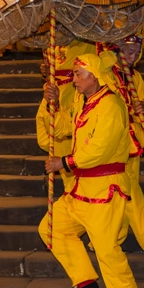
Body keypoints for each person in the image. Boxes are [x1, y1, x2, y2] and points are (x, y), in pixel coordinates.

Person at [43, 53, 144, 288]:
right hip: (81, 188)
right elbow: (61, 129)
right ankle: (85, 280)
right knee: (52, 227)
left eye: (79, 73)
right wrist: (50, 103)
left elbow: (100, 149)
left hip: (104, 189)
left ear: (95, 76)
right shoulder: (83, 101)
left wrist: (64, 162)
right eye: (75, 73)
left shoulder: (112, 105)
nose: (74, 78)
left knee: (106, 249)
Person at [100, 34, 144, 257]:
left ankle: (127, 239)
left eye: (137, 52)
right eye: (129, 52)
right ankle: (122, 238)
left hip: (133, 143)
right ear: (116, 50)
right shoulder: (102, 75)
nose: (134, 56)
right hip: (110, 144)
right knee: (120, 193)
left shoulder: (135, 77)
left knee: (131, 192)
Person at [37, 40, 93, 203]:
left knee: (72, 172)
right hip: (51, 101)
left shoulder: (85, 39)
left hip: (73, 102)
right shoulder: (51, 40)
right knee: (49, 140)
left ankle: (76, 202)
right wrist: (45, 72)